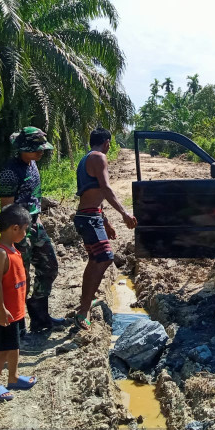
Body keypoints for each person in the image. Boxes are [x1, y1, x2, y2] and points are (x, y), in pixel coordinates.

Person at [0, 126, 65, 332]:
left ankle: (39, 315)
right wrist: (12, 239)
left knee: (50, 267)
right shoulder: (10, 172)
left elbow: (34, 197)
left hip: (35, 225)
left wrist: (37, 221)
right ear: (24, 149)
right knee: (20, 279)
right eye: (37, 149)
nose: (41, 152)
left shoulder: (32, 164)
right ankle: (17, 326)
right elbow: (6, 209)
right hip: (18, 231)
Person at [73, 128, 137, 329]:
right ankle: (84, 309)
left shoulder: (86, 159)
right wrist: (124, 213)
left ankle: (87, 299)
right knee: (105, 258)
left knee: (95, 259)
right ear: (107, 143)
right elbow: (105, 188)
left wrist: (106, 221)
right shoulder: (99, 157)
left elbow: (94, 193)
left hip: (89, 216)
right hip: (89, 218)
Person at [0, 204, 37, 401]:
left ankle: (13, 377)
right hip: (5, 313)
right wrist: (1, 309)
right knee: (4, 349)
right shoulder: (1, 253)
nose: (25, 234)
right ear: (14, 228)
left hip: (16, 311)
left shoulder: (13, 249)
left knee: (15, 346)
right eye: (24, 230)